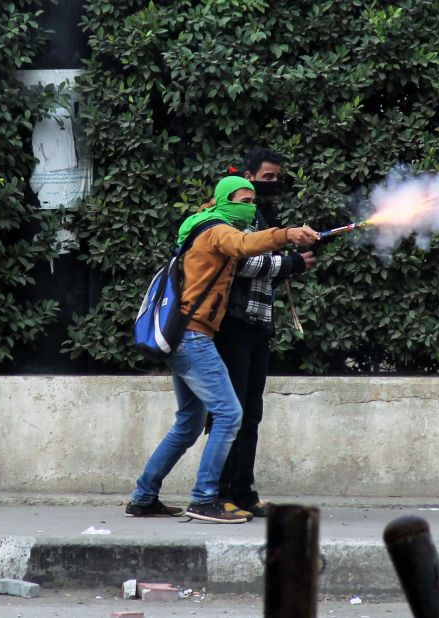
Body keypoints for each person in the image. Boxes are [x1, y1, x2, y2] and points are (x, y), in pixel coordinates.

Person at [125, 176, 319, 523]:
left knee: (189, 423)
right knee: (230, 414)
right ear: (222, 200)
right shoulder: (216, 228)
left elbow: (246, 253)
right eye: (242, 199)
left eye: (252, 200)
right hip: (193, 337)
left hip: (185, 335)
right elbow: (245, 245)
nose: (249, 206)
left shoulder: (203, 226)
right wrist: (287, 234)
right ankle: (203, 499)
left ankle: (143, 497)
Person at [214, 147, 317, 520]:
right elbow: (240, 261)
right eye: (267, 177)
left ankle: (244, 492)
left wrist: (290, 256)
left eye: (276, 178)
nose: (273, 184)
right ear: (246, 175)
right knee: (231, 413)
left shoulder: (263, 213)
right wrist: (290, 262)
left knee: (251, 413)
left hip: (258, 325)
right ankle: (220, 493)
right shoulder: (235, 212)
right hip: (232, 326)